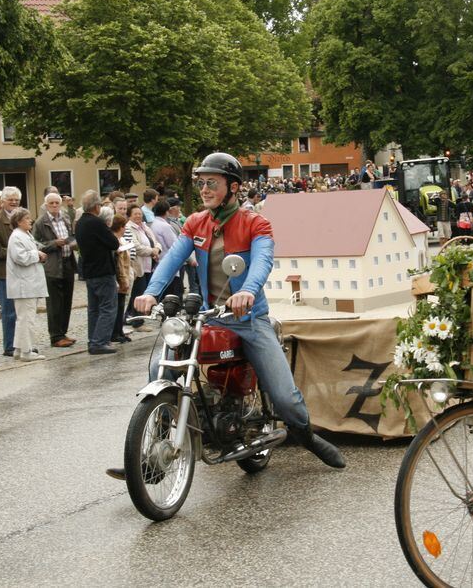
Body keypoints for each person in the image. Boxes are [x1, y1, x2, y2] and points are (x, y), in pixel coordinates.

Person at [114, 152, 345, 479]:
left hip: (248, 319)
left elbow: (263, 260)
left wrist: (248, 291)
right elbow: (171, 259)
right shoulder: (195, 222)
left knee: (285, 398)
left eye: (212, 183)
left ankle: (307, 436)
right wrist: (150, 292)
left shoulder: (255, 223)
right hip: (209, 317)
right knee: (160, 368)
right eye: (201, 183)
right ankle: (157, 449)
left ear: (233, 187)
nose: (204, 189)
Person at [74, 190, 119, 355]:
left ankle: (93, 339)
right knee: (108, 306)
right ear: (96, 206)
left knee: (94, 308)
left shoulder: (80, 223)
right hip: (102, 270)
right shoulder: (96, 222)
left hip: (89, 270)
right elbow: (113, 243)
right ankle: (99, 342)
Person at [33, 193, 77, 348]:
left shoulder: (65, 218)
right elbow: (36, 244)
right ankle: (55, 336)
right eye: (51, 203)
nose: (54, 205)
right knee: (54, 303)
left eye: (57, 203)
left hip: (67, 262)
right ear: (46, 205)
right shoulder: (41, 222)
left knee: (66, 301)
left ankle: (63, 332)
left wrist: (72, 242)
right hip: (52, 266)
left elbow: (71, 236)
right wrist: (54, 243)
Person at [6, 208, 48, 361]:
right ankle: (26, 350)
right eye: (27, 218)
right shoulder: (17, 236)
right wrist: (37, 254)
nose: (30, 220)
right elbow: (20, 257)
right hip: (24, 284)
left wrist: (38, 253)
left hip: (29, 283)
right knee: (27, 318)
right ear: (18, 221)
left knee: (24, 317)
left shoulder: (25, 235)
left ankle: (18, 349)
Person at [0, 186, 21, 357]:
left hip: (21, 272)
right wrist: (17, 252)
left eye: (16, 200)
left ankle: (21, 343)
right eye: (10, 199)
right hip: (4, 272)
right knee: (9, 311)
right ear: (2, 202)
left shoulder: (21, 217)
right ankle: (9, 346)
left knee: (21, 310)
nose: (13, 203)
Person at [110, 214, 133, 344]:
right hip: (120, 277)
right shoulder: (115, 239)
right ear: (121, 227)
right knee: (117, 306)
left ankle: (119, 331)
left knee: (121, 305)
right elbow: (118, 263)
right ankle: (115, 333)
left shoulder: (121, 239)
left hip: (125, 275)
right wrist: (122, 280)